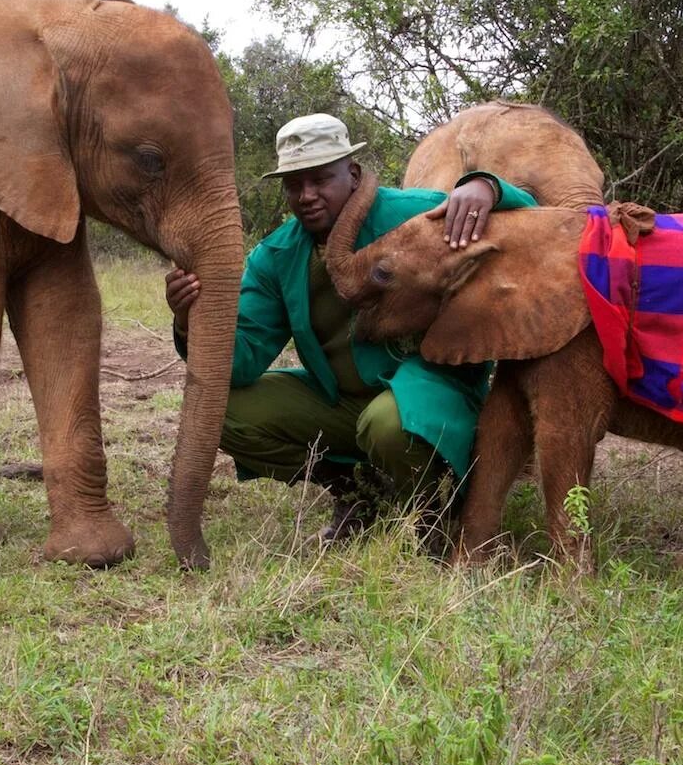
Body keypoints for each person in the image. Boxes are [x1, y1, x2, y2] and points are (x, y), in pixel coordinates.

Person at [166, 114, 537, 544]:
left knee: (386, 422)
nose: (306, 196)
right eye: (293, 184)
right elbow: (242, 361)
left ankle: (435, 508)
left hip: (428, 398)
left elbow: (528, 216)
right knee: (223, 411)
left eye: (321, 179)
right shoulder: (277, 256)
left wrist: (486, 186)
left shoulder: (415, 215)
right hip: (341, 402)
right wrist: (187, 318)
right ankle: (359, 490)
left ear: (353, 173)